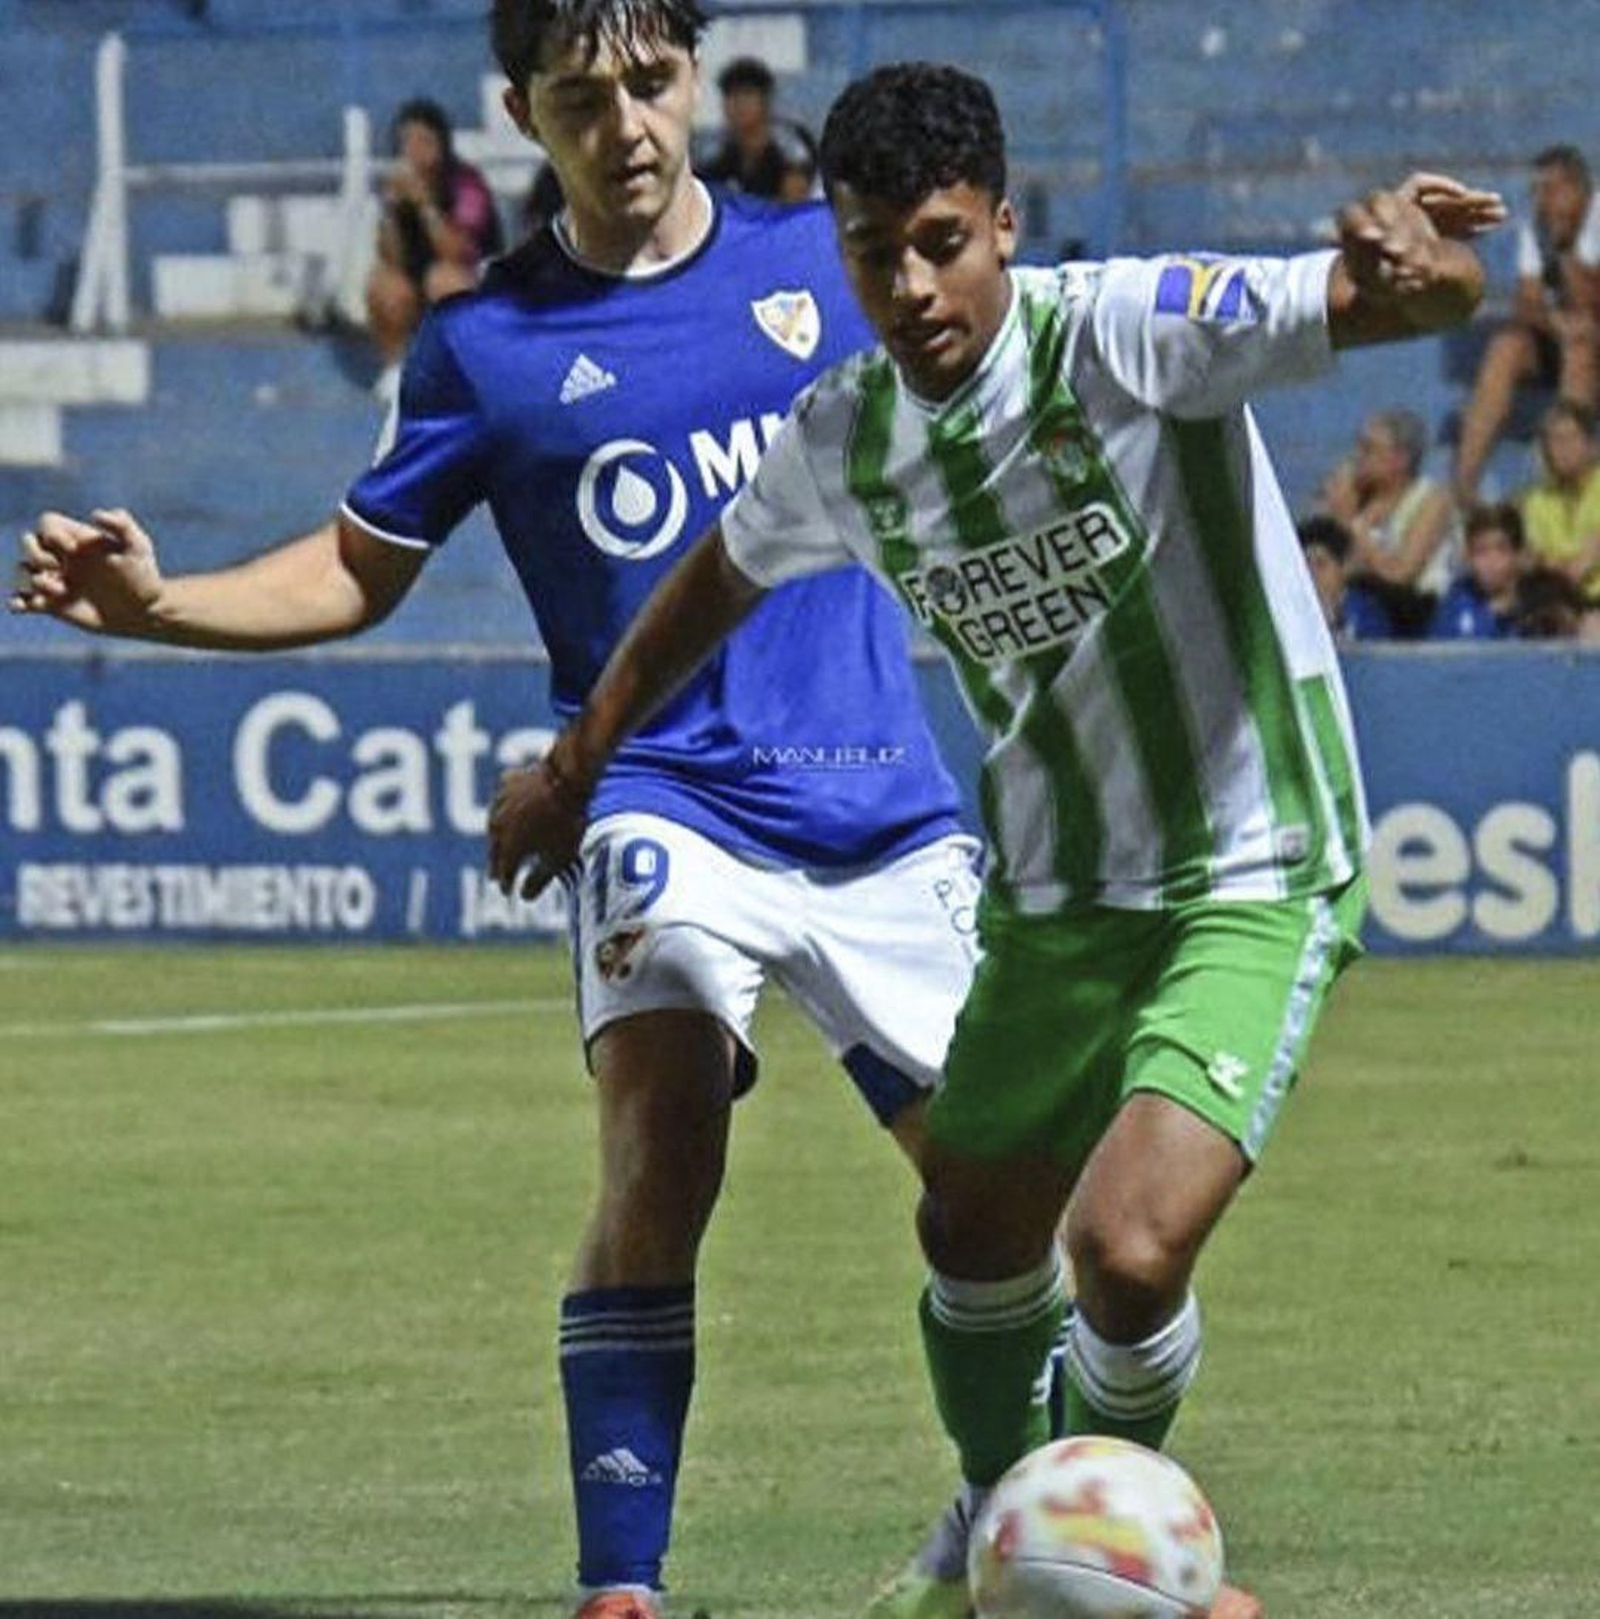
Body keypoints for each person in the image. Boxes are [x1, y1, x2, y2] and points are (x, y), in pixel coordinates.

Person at [483, 63, 1499, 1619]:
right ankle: (997, 1519)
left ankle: (1084, 1555)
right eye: (873, 249)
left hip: (1253, 865)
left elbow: (1389, 299)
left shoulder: (1131, 326)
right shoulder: (850, 432)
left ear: (1005, 227)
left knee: (1126, 1248)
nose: (910, 284)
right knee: (966, 1217)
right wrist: (579, 761)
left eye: (942, 241)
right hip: (1053, 891)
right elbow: (710, 581)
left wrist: (1434, 275)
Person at [11, 9, 987, 1618]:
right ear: (524, 113)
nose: (627, 123)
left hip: (881, 802)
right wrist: (159, 599)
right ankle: (622, 1584)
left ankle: (1007, 1501)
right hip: (649, 793)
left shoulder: (830, 264)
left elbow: (988, 362)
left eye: (652, 81)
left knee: (992, 1190)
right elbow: (352, 567)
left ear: (695, 76)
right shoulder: (486, 345)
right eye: (582, 95)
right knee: (662, 1129)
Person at [1454, 145, 1600, 502]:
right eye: (1536, 191)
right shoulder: (1537, 229)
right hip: (1573, 337)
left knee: (1579, 349)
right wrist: (1556, 324)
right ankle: (1464, 487)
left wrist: (1567, 253)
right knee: (1507, 346)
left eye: (1549, 190)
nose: (1540, 200)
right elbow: (1527, 301)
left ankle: (1564, 473)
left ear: (1577, 188)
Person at [366, 97, 504, 397]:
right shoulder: (399, 187)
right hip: (418, 274)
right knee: (383, 284)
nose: (414, 151)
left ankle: (462, 369)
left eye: (423, 141)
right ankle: (395, 367)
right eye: (407, 142)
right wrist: (390, 213)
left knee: (443, 279)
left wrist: (427, 207)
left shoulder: (466, 183)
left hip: (470, 275)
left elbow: (459, 251)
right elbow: (390, 256)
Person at [1320, 408, 1458, 598]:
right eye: (1358, 446)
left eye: (1368, 449)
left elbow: (1400, 575)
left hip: (1414, 608)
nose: (1357, 456)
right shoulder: (1356, 496)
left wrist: (1353, 526)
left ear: (1401, 459)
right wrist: (1333, 511)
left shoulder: (1432, 501)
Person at [697, 55, 817, 203]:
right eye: (732, 96)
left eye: (747, 94)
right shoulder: (714, 152)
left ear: (765, 100)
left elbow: (794, 207)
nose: (739, 105)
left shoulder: (790, 146)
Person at [1518, 398, 1600, 602]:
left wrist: (1547, 562)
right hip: (1555, 600)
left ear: (1592, 446)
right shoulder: (1536, 499)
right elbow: (1527, 560)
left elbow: (1581, 568)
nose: (1561, 449)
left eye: (1569, 438)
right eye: (1553, 440)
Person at [1427, 503, 1525, 639]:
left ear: (1519, 554)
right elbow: (1453, 653)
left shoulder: (1536, 597)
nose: (1491, 562)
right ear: (1467, 557)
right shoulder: (1455, 602)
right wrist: (1491, 613)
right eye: (1481, 551)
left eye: (1501, 550)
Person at [1298, 515, 1393, 641]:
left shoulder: (1368, 613)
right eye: (1306, 565)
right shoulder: (1293, 609)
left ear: (1344, 567)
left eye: (1321, 564)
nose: (1312, 574)